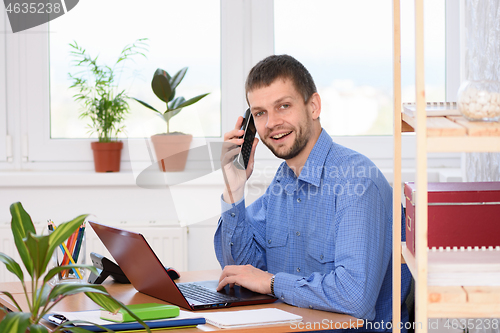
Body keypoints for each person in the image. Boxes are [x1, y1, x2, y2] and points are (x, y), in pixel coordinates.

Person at [214, 54, 412, 332]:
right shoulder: (282, 182)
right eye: (260, 113)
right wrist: (234, 189)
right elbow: (241, 271)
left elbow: (354, 297)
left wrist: (271, 283)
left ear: (314, 106)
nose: (271, 123)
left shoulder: (357, 181)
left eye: (283, 106)